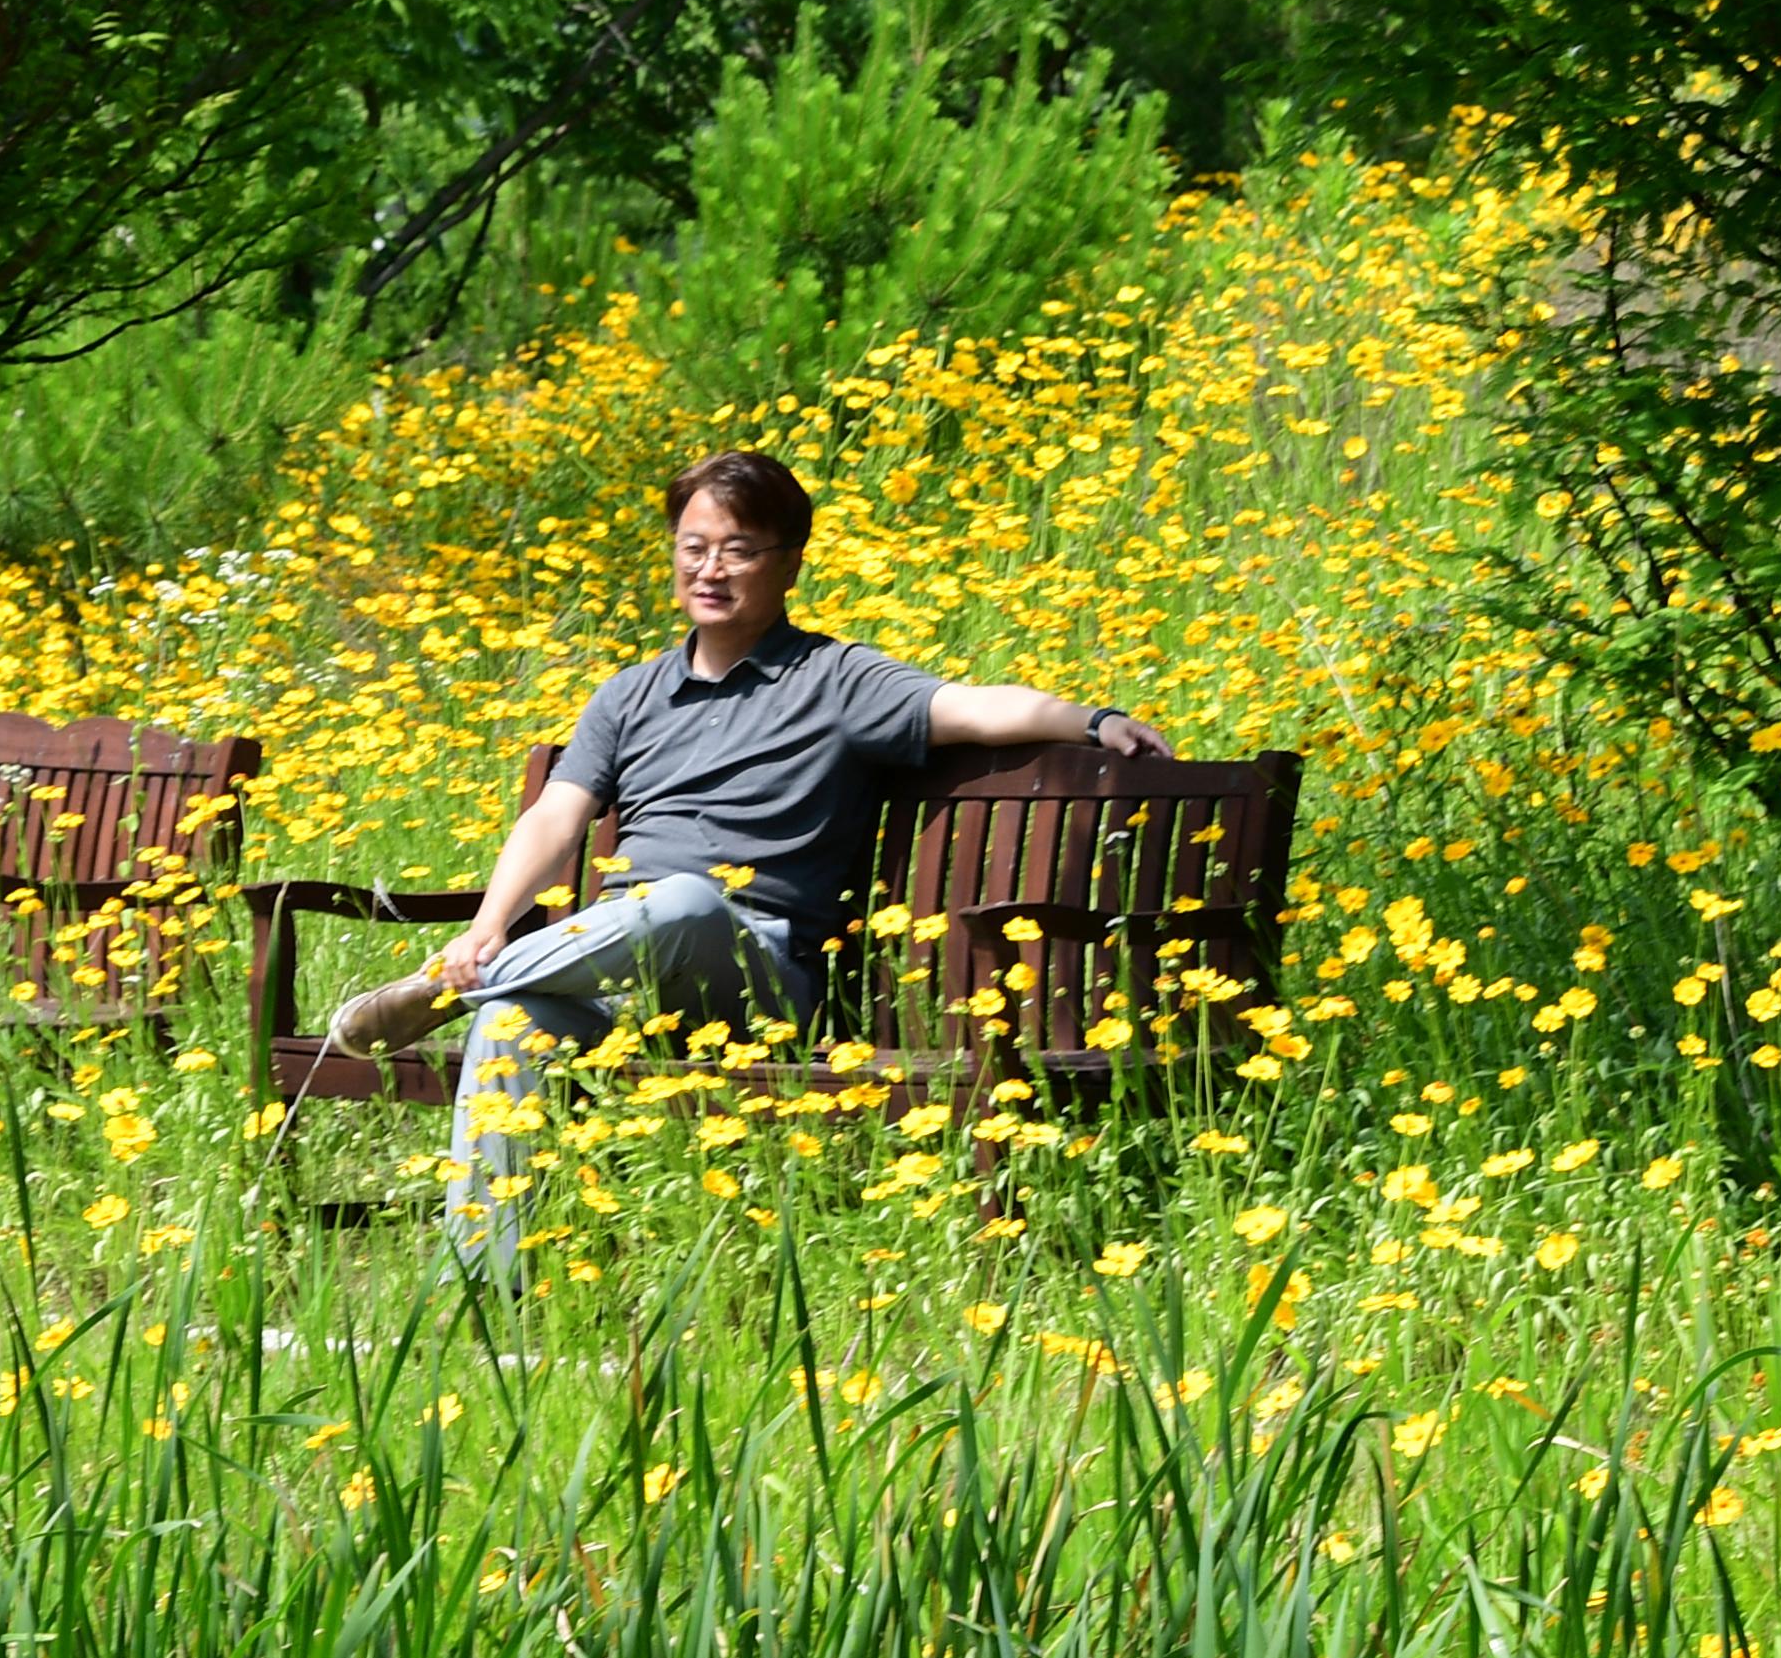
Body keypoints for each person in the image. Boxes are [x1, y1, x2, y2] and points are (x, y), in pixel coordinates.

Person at [327, 449, 1175, 1283]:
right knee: (511, 1022)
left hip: (756, 973)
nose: (711, 569)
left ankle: (448, 986)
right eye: (693, 547)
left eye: (737, 549)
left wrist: (1091, 720)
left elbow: (975, 707)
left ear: (789, 563)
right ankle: (486, 1286)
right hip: (616, 967)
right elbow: (557, 813)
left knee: (687, 901)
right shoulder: (629, 695)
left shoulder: (837, 679)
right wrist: (485, 926)